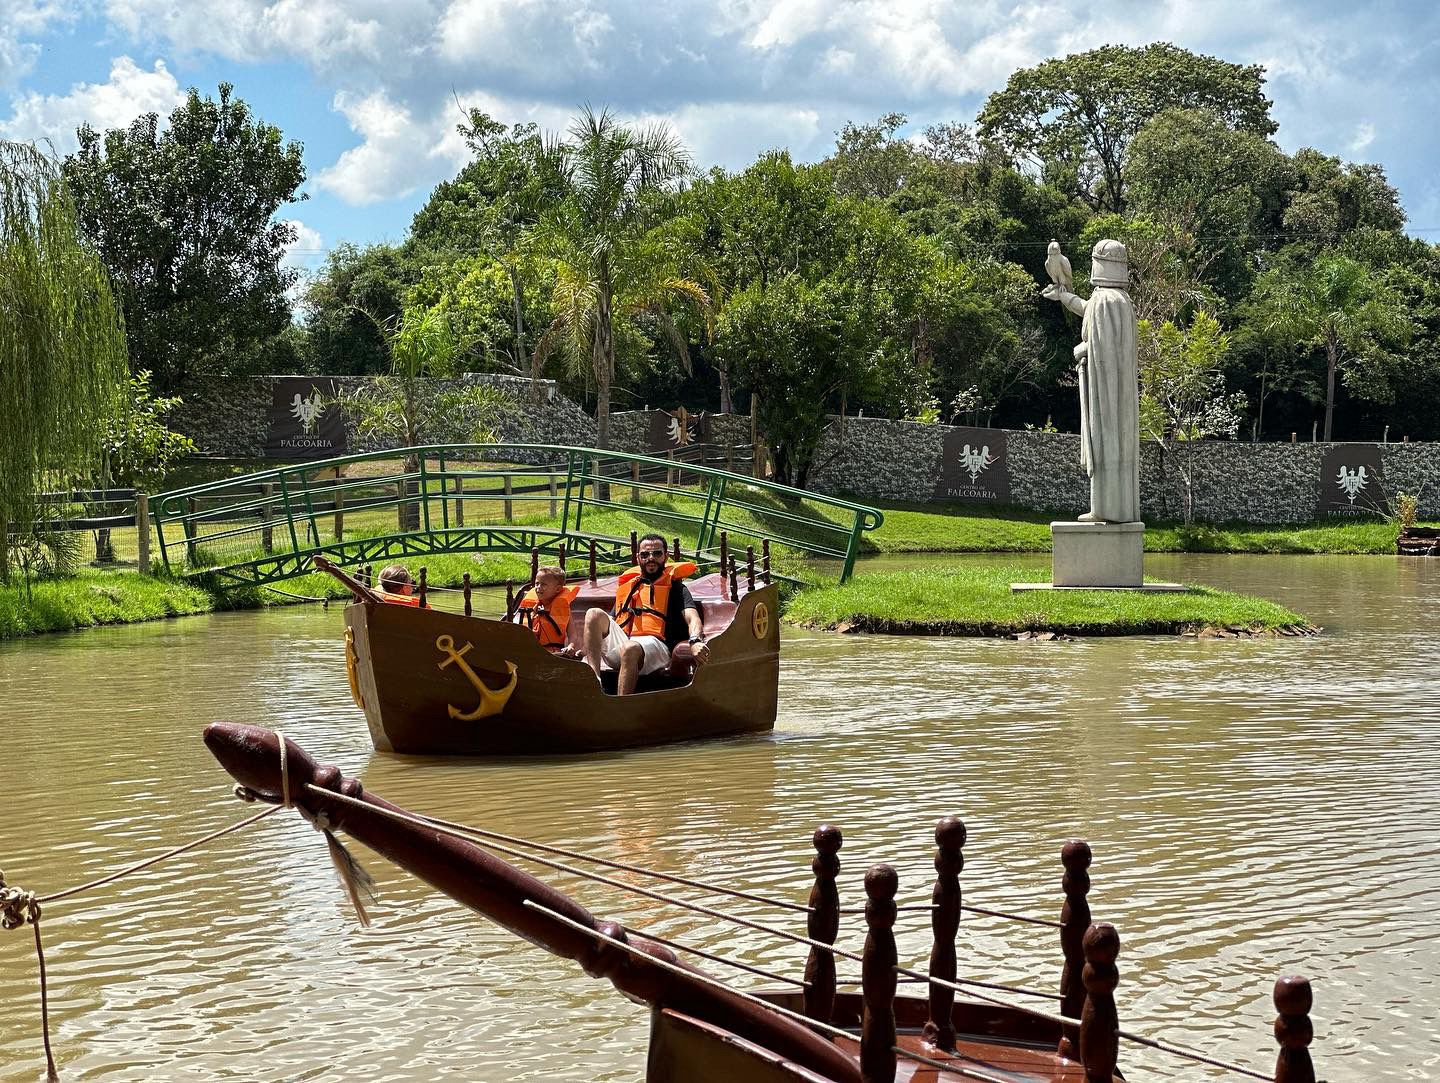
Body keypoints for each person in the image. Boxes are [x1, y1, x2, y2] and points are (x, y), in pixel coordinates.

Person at [1040, 238, 1140, 523]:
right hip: (1116, 392)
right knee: (1116, 445)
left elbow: (1100, 347)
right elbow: (1091, 314)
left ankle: (1105, 509)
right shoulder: (1119, 301)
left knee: (1106, 442)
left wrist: (1081, 349)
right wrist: (1063, 297)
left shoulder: (1106, 300)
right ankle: (1116, 508)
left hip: (1105, 393)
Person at [584, 533, 710, 695]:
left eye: (657, 553)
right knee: (593, 614)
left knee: (631, 648)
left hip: (657, 649)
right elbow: (610, 622)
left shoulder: (677, 589)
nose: (651, 558)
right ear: (638, 558)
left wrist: (695, 640)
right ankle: (594, 682)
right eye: (645, 554)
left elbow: (693, 618)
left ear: (666, 556)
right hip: (625, 644)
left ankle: (621, 705)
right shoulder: (630, 588)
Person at [512, 566, 580, 652]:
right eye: (537, 583)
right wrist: (534, 614)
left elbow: (572, 634)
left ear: (558, 589)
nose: (538, 587)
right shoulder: (531, 608)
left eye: (543, 584)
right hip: (529, 650)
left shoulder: (563, 608)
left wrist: (571, 646)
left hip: (552, 652)